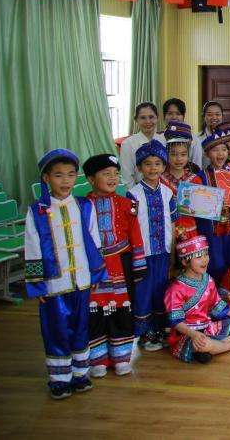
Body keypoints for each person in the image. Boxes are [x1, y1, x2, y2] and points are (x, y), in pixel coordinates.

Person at [25, 149, 106, 399]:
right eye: (59, 175)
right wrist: (37, 284)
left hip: (81, 281)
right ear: (46, 178)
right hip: (54, 285)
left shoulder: (84, 205)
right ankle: (60, 379)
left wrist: (95, 274)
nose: (66, 181)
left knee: (81, 327)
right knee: (56, 330)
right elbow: (32, 246)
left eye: (71, 175)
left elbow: (94, 240)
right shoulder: (37, 210)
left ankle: (80, 373)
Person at [83, 153, 146, 378]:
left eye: (115, 174)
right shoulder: (82, 206)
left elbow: (135, 234)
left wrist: (139, 263)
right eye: (106, 174)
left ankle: (120, 358)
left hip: (121, 264)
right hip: (93, 268)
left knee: (122, 311)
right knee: (95, 312)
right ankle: (98, 359)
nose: (112, 178)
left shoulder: (128, 204)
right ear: (91, 179)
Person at [164, 235, 230, 364]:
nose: (205, 260)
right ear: (185, 262)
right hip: (187, 334)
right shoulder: (175, 288)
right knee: (204, 344)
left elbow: (218, 307)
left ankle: (214, 348)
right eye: (199, 257)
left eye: (206, 254)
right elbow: (176, 322)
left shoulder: (209, 279)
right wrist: (194, 335)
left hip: (208, 328)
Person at [127, 140, 177, 350]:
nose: (153, 168)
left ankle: (159, 328)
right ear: (139, 167)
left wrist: (173, 251)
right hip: (143, 254)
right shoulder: (133, 194)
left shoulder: (168, 193)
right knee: (143, 291)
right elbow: (130, 226)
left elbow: (173, 223)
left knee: (161, 289)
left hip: (163, 251)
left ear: (164, 166)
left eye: (157, 163)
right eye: (147, 164)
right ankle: (145, 332)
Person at [196, 129, 230, 280]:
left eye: (224, 149)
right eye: (215, 150)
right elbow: (195, 206)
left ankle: (229, 290)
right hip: (210, 230)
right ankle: (213, 291)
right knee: (215, 264)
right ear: (207, 154)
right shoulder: (200, 177)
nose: (220, 154)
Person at [119, 102, 165, 186]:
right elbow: (127, 177)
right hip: (138, 189)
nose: (148, 121)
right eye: (143, 118)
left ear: (157, 118)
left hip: (164, 188)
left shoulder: (164, 140)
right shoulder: (128, 144)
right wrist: (136, 193)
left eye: (151, 117)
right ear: (136, 120)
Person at [190, 101, 226, 168]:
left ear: (222, 116)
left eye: (217, 114)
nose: (214, 117)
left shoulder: (228, 136)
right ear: (204, 116)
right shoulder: (196, 139)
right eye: (209, 115)